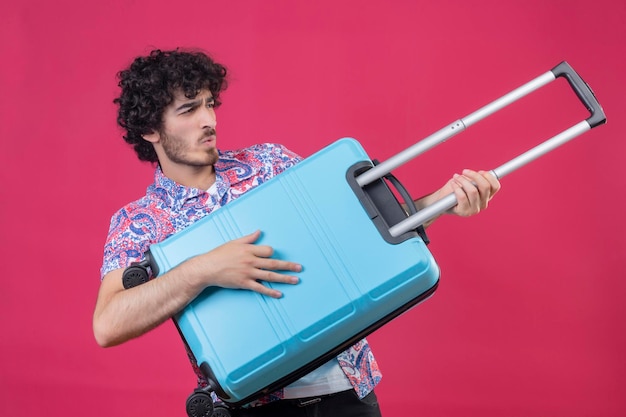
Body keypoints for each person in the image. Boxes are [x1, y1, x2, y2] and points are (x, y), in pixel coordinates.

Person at [93, 48, 501, 417]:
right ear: (150, 130)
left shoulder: (270, 163)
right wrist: (202, 270)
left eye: (209, 105)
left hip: (349, 397)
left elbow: (364, 232)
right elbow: (108, 324)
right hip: (252, 406)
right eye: (188, 111)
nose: (208, 121)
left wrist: (443, 202)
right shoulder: (139, 221)